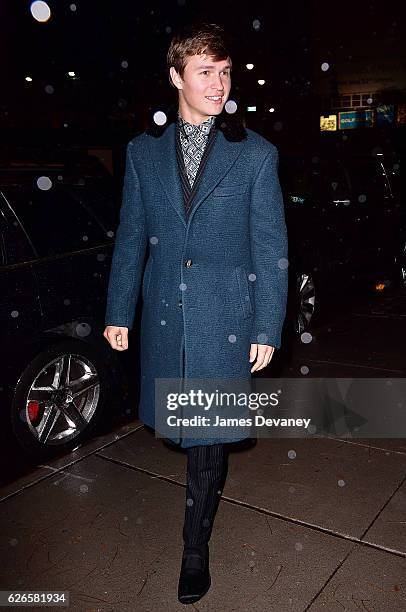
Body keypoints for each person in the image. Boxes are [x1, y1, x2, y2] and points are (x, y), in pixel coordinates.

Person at [103, 22, 288, 605]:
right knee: (179, 433)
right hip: (164, 317)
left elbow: (271, 245)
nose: (218, 82)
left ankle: (194, 551)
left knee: (207, 441)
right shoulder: (142, 153)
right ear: (176, 76)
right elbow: (131, 237)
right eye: (205, 71)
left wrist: (266, 324)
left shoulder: (255, 155)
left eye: (225, 71)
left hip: (224, 320)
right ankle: (195, 532)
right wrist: (118, 311)